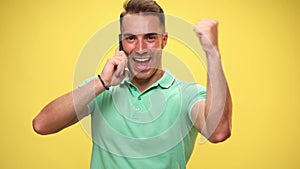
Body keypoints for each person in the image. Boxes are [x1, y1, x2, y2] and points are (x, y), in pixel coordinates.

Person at [33, 0, 232, 168]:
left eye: (150, 38)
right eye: (131, 39)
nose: (140, 49)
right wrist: (102, 83)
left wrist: (212, 54)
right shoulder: (102, 89)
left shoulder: (187, 94)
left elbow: (218, 132)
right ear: (121, 43)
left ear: (164, 40)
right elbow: (42, 124)